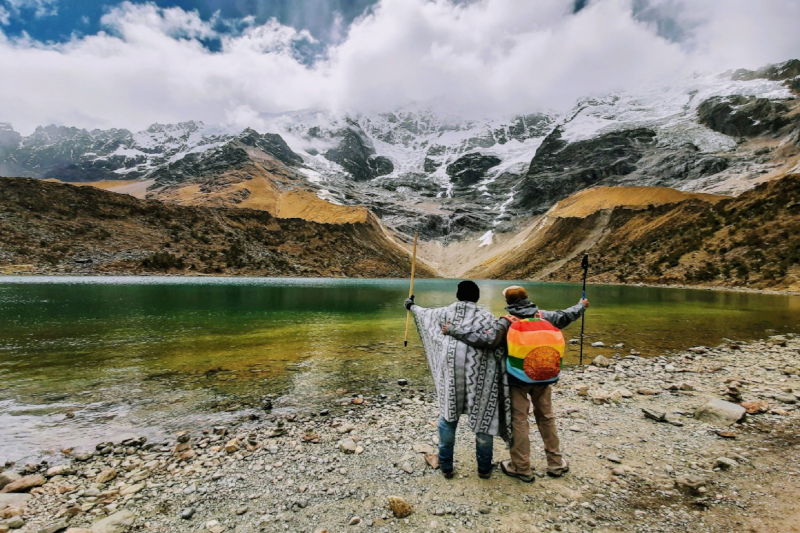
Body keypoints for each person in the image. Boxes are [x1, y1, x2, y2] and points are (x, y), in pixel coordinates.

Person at [443, 285, 588, 483]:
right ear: (527, 298)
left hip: (517, 379)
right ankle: (555, 463)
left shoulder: (507, 322)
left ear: (508, 303)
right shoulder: (543, 315)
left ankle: (522, 467)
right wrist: (581, 306)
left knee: (519, 421)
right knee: (546, 417)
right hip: (543, 375)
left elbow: (486, 340)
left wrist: (453, 330)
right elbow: (566, 316)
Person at [405, 280, 512, 480]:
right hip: (480, 374)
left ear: (457, 295)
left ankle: (446, 466)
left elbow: (424, 314)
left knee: (448, 416)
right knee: (483, 419)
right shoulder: (487, 317)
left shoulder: (444, 313)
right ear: (477, 297)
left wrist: (411, 306)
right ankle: (484, 468)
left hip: (451, 372)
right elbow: (497, 343)